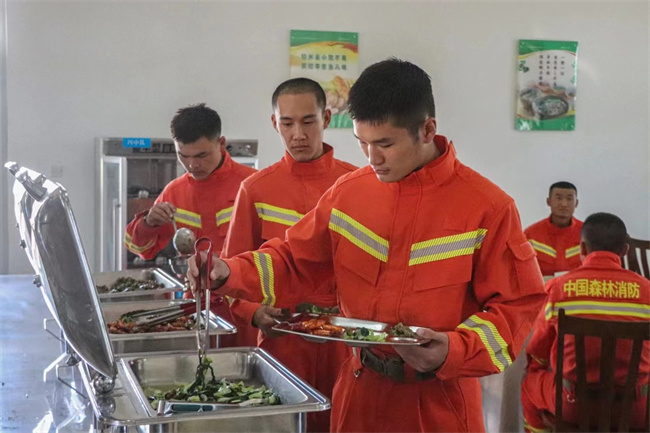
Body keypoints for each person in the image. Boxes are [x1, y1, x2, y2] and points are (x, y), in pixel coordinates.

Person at [188, 58, 545, 432]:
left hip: (439, 403)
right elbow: (294, 260)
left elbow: (517, 307)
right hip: (360, 391)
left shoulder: (486, 208)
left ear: (427, 129)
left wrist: (455, 350)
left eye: (385, 144)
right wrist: (227, 272)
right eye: (362, 143)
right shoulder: (349, 194)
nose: (373, 159)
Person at [221, 77, 357, 432]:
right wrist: (253, 312)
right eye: (287, 123)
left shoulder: (357, 185)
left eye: (308, 121)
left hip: (345, 342)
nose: (298, 134)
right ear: (274, 123)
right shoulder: (255, 189)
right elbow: (232, 271)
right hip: (283, 340)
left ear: (326, 118)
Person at [125, 103, 256, 345]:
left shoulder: (252, 185)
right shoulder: (175, 192)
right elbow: (140, 249)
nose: (192, 165)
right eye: (183, 156)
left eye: (201, 156)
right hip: (195, 310)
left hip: (248, 312)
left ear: (221, 143)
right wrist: (148, 222)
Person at [521, 212, 650, 432]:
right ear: (625, 250)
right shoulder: (647, 291)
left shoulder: (558, 289)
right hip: (637, 410)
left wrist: (540, 369)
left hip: (573, 406)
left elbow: (538, 352)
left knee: (528, 384)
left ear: (582, 247)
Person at [525, 182, 582, 277]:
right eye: (559, 198)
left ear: (576, 203)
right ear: (548, 201)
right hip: (543, 286)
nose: (564, 204)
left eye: (569, 199)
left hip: (578, 285)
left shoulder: (588, 234)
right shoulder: (531, 235)